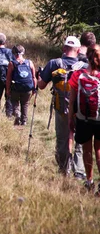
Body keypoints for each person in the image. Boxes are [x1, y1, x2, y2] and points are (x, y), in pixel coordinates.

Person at [38, 35, 87, 177]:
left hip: (62, 108)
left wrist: (38, 75)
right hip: (81, 109)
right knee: (80, 140)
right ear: (78, 50)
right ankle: (79, 172)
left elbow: (41, 85)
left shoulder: (55, 63)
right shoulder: (84, 66)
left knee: (62, 139)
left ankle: (64, 169)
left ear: (64, 48)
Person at [68, 45, 100, 193]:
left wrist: (70, 117)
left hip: (83, 118)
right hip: (99, 119)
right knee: (99, 150)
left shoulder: (78, 74)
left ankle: (89, 181)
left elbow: (72, 98)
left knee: (87, 150)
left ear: (87, 56)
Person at [6, 45, 36, 126]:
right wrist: (34, 89)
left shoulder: (12, 63)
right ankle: (24, 121)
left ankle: (17, 114)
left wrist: (7, 90)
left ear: (14, 53)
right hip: (28, 88)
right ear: (23, 52)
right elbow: (34, 77)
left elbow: (8, 79)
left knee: (14, 102)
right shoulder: (29, 62)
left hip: (16, 88)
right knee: (25, 103)